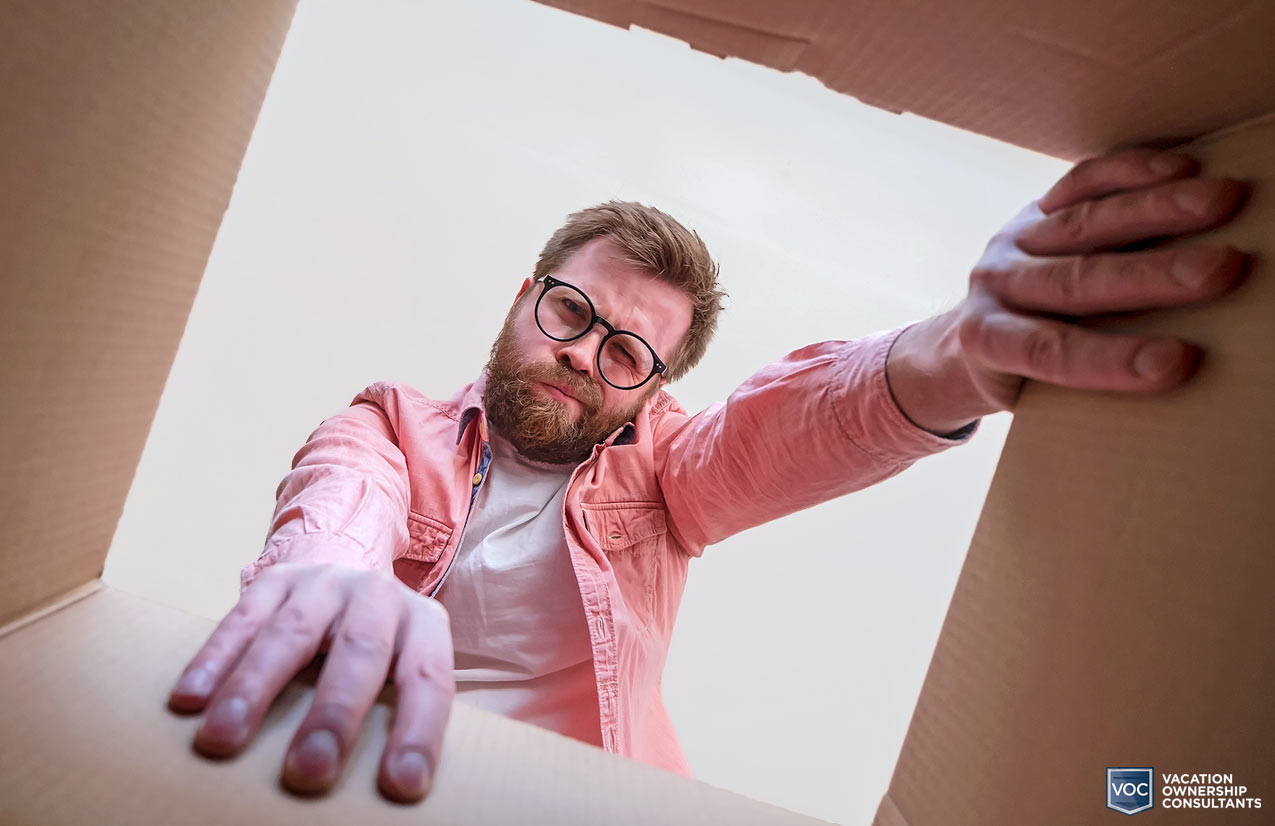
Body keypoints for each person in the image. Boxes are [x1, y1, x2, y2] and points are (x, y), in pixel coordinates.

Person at [167, 149, 1251, 803]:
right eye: (571, 313)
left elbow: (776, 432)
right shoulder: (388, 428)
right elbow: (336, 509)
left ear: (652, 389)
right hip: (353, 781)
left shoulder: (666, 474)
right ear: (522, 296)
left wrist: (957, 353)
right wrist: (332, 581)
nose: (586, 355)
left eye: (628, 354)